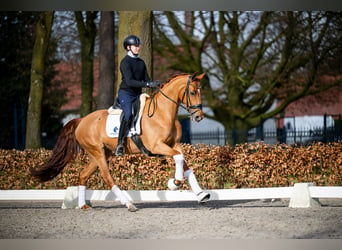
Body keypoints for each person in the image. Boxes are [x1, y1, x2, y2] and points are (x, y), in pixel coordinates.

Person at [114, 35, 161, 156]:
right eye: (135, 46)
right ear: (128, 47)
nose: (138, 48)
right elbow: (129, 81)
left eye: (138, 46)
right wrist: (147, 84)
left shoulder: (141, 62)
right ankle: (119, 144)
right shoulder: (125, 62)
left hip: (138, 95)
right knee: (128, 115)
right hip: (126, 94)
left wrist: (154, 84)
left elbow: (147, 79)